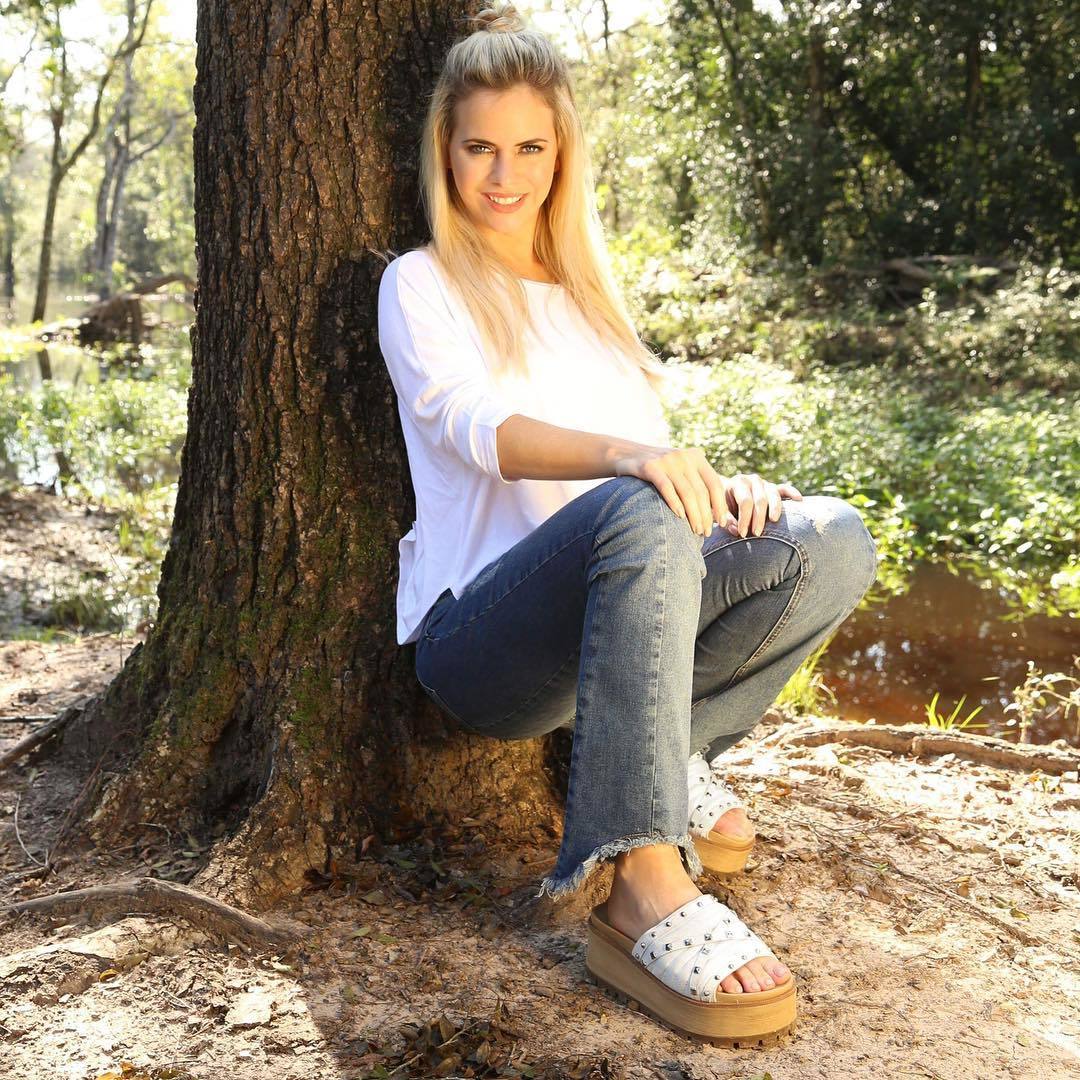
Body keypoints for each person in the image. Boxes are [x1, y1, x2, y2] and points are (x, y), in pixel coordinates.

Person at [376, 2, 877, 1046]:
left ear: (561, 154)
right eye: (479, 148)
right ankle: (639, 885)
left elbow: (654, 476)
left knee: (828, 538)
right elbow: (476, 429)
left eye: (529, 148)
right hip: (483, 640)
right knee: (638, 506)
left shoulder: (589, 301)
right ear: (445, 151)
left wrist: (727, 491)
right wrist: (633, 461)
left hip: (618, 610)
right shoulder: (419, 283)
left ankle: (655, 758)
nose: (503, 174)